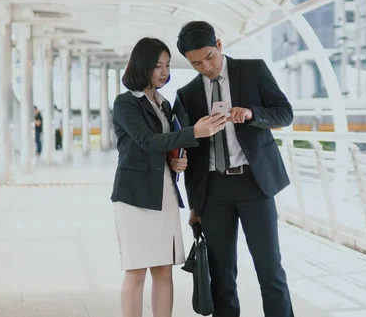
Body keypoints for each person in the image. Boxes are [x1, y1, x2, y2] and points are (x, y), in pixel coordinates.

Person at [175, 21, 295, 317]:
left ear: (219, 44)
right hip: (214, 190)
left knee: (270, 270)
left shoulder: (252, 70)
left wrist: (252, 113)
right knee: (221, 275)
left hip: (255, 184)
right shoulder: (187, 94)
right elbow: (192, 155)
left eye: (209, 57)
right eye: (196, 63)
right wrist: (195, 205)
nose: (206, 67)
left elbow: (285, 112)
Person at [110, 37, 227, 317]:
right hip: (135, 197)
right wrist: (194, 133)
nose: (164, 71)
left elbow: (163, 145)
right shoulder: (126, 103)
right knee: (136, 270)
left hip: (165, 194)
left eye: (166, 65)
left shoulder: (163, 105)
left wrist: (178, 159)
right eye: (157, 66)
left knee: (164, 269)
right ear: (141, 66)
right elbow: (148, 141)